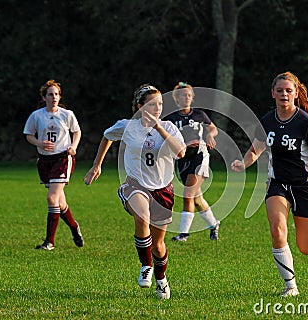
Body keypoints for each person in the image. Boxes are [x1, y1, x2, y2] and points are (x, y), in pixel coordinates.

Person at [231, 72, 308, 297]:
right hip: (277, 183)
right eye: (279, 90)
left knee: (306, 248)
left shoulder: (305, 122)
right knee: (277, 229)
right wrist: (243, 164)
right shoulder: (268, 120)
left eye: (288, 90)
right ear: (273, 93)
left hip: (305, 186)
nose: (284, 94)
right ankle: (291, 286)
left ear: (296, 93)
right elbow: (255, 149)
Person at [84, 84, 185, 299]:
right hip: (136, 185)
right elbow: (107, 136)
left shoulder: (169, 127)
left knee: (158, 245)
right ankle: (145, 266)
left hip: (163, 190)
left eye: (160, 104)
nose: (157, 108)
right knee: (142, 217)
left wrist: (159, 129)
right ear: (140, 107)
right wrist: (97, 165)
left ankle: (161, 279)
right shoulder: (127, 126)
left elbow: (181, 152)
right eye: (152, 104)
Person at [23, 79, 84, 251]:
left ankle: (49, 242)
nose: (54, 97)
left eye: (57, 94)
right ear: (44, 97)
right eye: (50, 94)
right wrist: (39, 143)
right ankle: (74, 226)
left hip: (62, 159)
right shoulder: (37, 116)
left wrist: (73, 146)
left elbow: (77, 131)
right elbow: (28, 134)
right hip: (45, 161)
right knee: (60, 202)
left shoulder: (67, 114)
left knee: (51, 198)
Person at [164, 82, 220, 242]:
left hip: (199, 156)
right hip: (182, 159)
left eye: (189, 95)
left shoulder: (199, 114)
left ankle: (183, 234)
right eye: (183, 95)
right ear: (176, 98)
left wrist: (210, 134)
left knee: (188, 195)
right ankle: (213, 224)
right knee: (197, 199)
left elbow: (213, 128)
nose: (187, 97)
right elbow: (165, 137)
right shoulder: (171, 119)